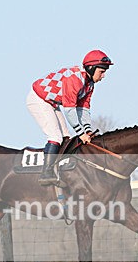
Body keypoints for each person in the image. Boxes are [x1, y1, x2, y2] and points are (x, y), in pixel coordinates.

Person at [27, 50, 113, 185]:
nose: (103, 76)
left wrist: (87, 130)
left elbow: (83, 109)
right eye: (101, 72)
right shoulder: (74, 80)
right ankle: (46, 174)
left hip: (52, 102)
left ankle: (57, 171)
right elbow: (70, 110)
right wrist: (81, 133)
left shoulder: (89, 85)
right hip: (39, 99)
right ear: (91, 68)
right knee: (55, 137)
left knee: (66, 137)